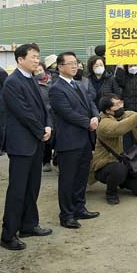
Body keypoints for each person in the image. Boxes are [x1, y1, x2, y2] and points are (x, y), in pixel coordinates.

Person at [0, 44, 53, 251]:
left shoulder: (33, 79)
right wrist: (41, 130)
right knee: (17, 190)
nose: (36, 60)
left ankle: (29, 225)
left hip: (35, 142)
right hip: (21, 144)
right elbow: (23, 112)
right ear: (20, 59)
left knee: (32, 187)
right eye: (32, 56)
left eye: (38, 56)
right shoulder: (13, 82)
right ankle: (8, 234)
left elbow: (44, 107)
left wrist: (47, 125)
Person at [48, 52, 100, 229]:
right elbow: (67, 112)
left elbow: (91, 103)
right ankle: (67, 214)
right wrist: (88, 123)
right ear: (60, 67)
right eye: (69, 63)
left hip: (85, 139)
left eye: (75, 63)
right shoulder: (56, 88)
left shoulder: (79, 84)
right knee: (68, 179)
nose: (74, 66)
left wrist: (95, 117)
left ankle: (79, 207)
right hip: (69, 141)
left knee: (81, 176)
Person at [93, 94, 137, 204]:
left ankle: (122, 180)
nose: (121, 106)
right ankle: (111, 193)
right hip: (107, 164)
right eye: (117, 105)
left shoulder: (127, 114)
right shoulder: (102, 123)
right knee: (118, 169)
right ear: (108, 110)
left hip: (128, 162)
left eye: (121, 102)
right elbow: (118, 129)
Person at [114, 63, 137, 147]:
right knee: (128, 135)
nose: (133, 68)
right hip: (127, 111)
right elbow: (119, 80)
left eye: (135, 65)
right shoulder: (124, 77)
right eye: (130, 66)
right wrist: (120, 68)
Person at [33, 64, 55, 173]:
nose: (39, 72)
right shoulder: (33, 85)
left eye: (41, 70)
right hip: (41, 115)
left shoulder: (52, 82)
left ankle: (55, 159)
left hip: (54, 114)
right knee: (46, 139)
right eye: (36, 71)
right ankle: (45, 161)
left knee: (54, 138)